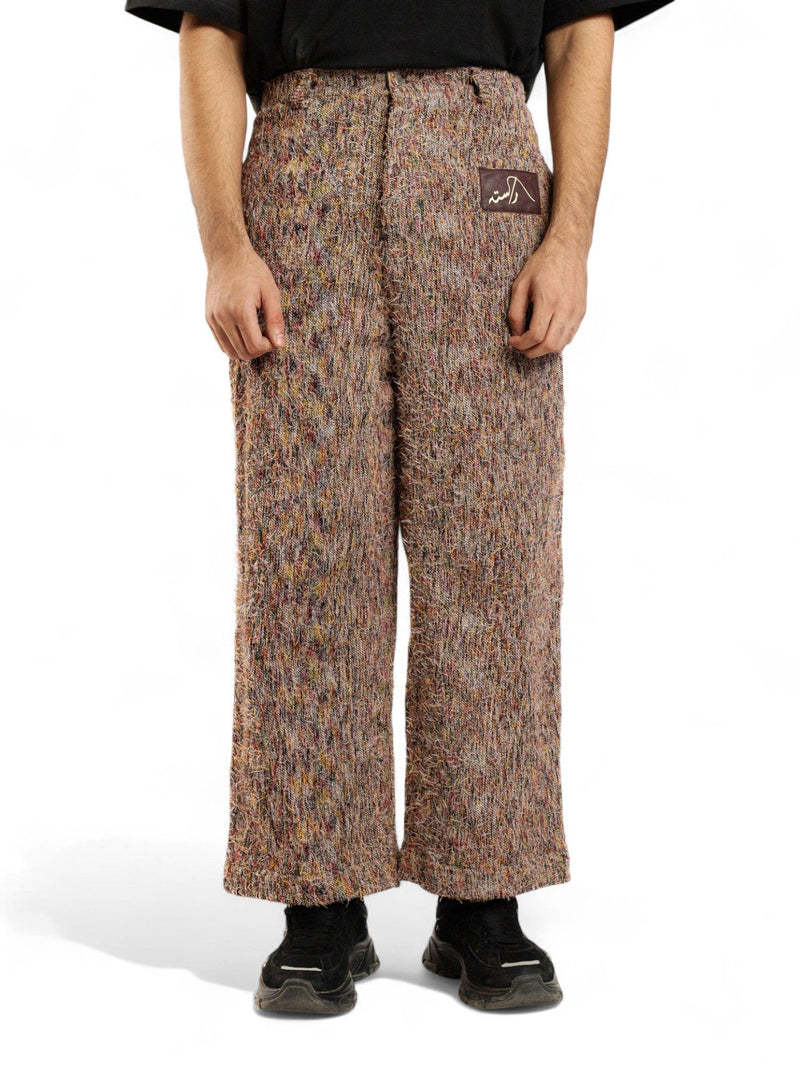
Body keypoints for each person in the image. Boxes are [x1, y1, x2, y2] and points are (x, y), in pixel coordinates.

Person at [124, 0, 674, 1014]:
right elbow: (210, 33)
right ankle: (319, 897)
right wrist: (224, 246)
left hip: (482, 162)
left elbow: (577, 28)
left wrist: (569, 241)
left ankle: (482, 891)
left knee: (492, 548)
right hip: (303, 159)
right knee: (309, 551)